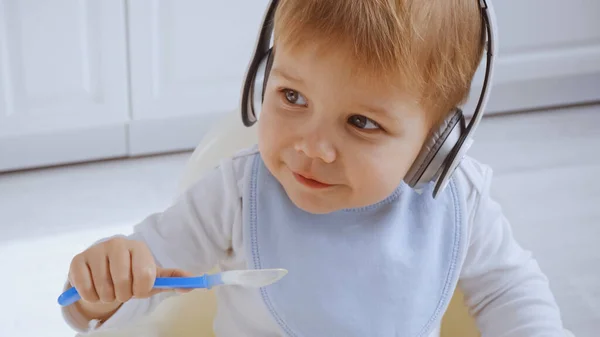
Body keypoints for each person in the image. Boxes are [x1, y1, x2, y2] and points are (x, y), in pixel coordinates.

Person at [61, 0, 566, 336]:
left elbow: (510, 291)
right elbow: (138, 286)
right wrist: (100, 294)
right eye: (292, 95)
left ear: (434, 143)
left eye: (362, 122)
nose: (314, 148)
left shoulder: (457, 203)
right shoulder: (237, 192)